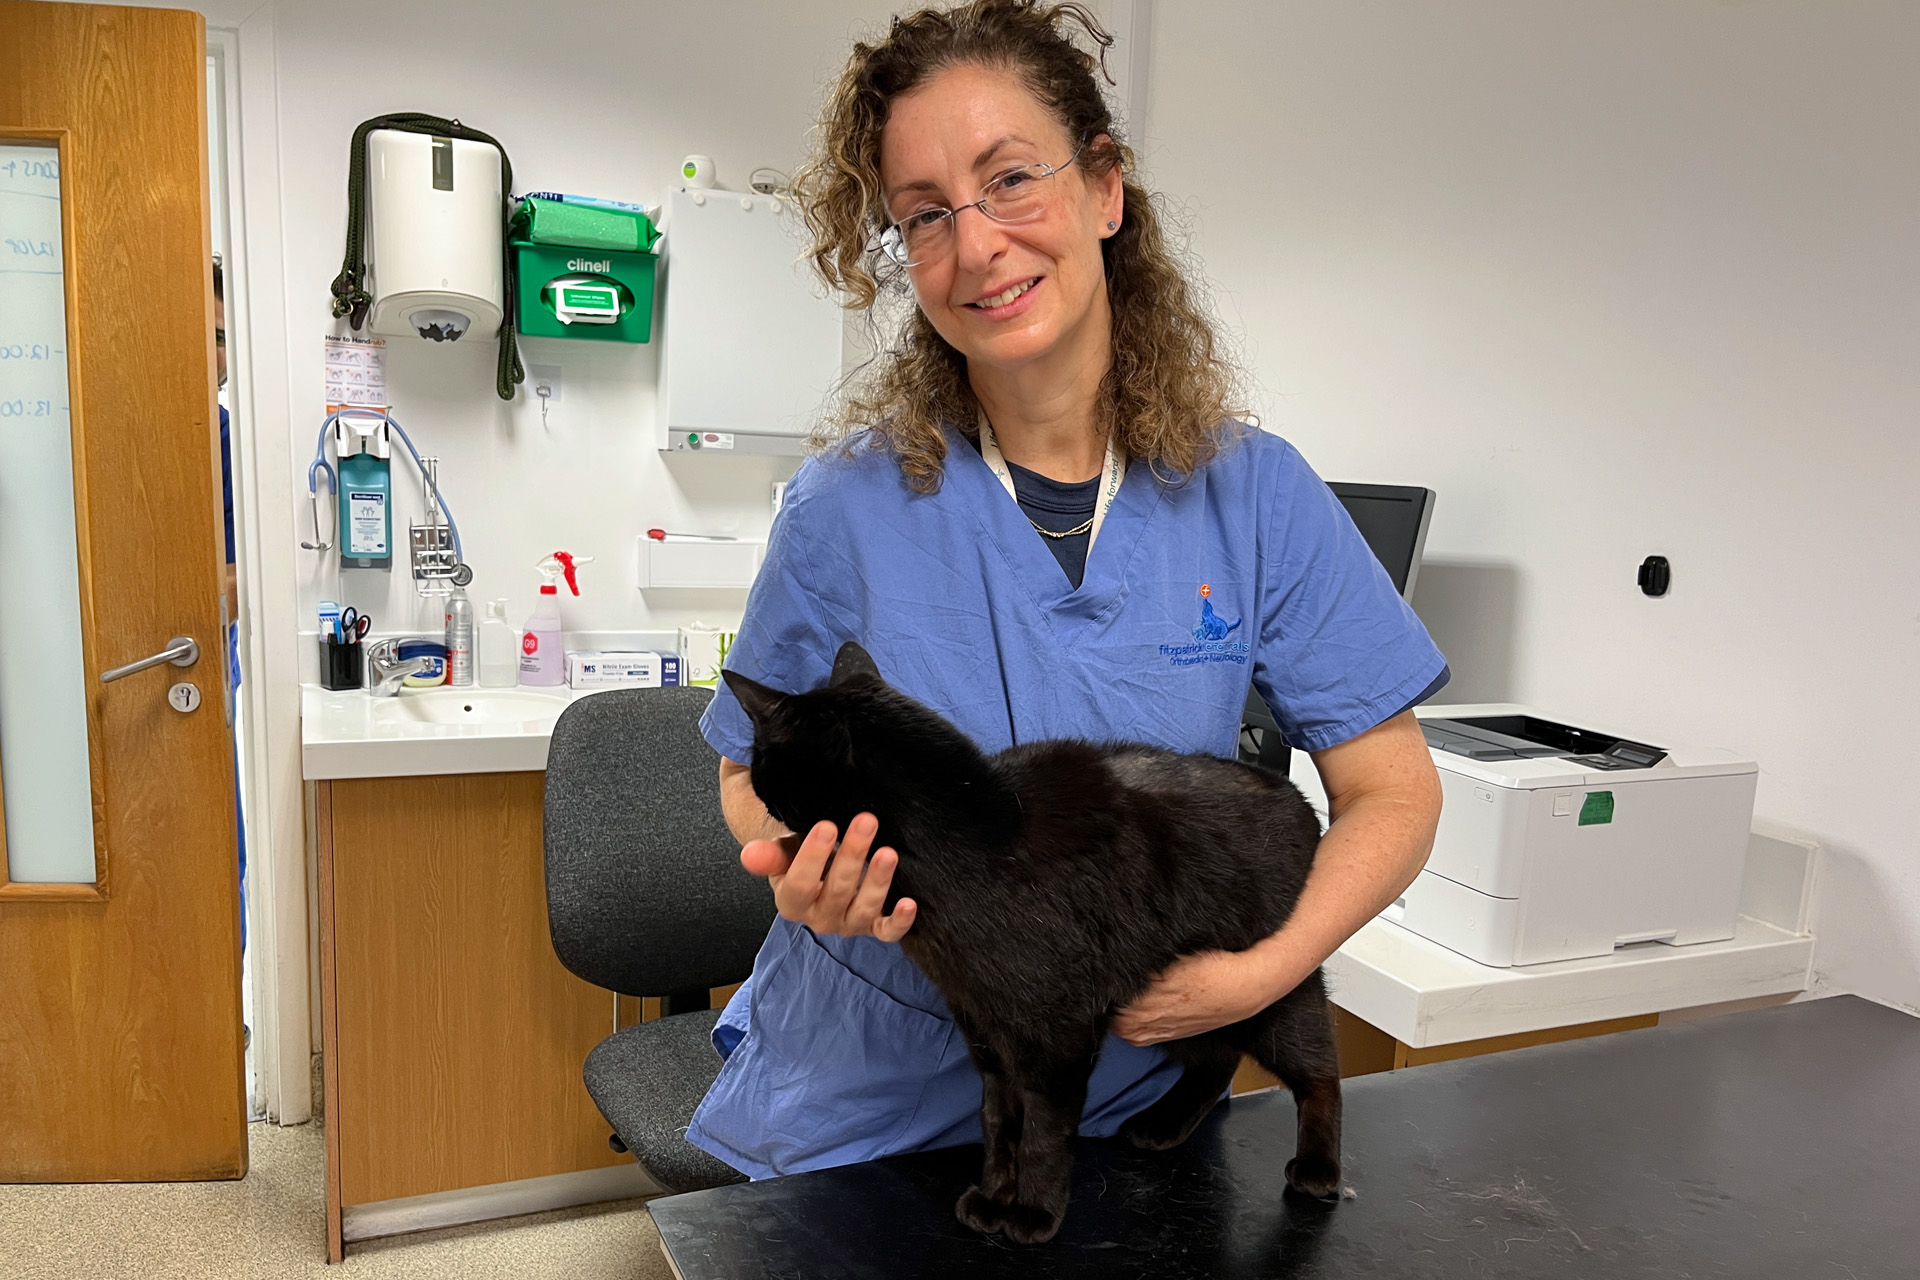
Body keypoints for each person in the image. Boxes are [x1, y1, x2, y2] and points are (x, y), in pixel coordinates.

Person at [687, 0, 1447, 1181]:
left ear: (1104, 188)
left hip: (1123, 1090)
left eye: (1008, 180)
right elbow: (749, 766)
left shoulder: (1258, 496)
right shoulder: (841, 506)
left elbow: (1393, 791)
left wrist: (1259, 973)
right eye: (924, 215)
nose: (976, 244)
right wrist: (799, 867)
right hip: (865, 1102)